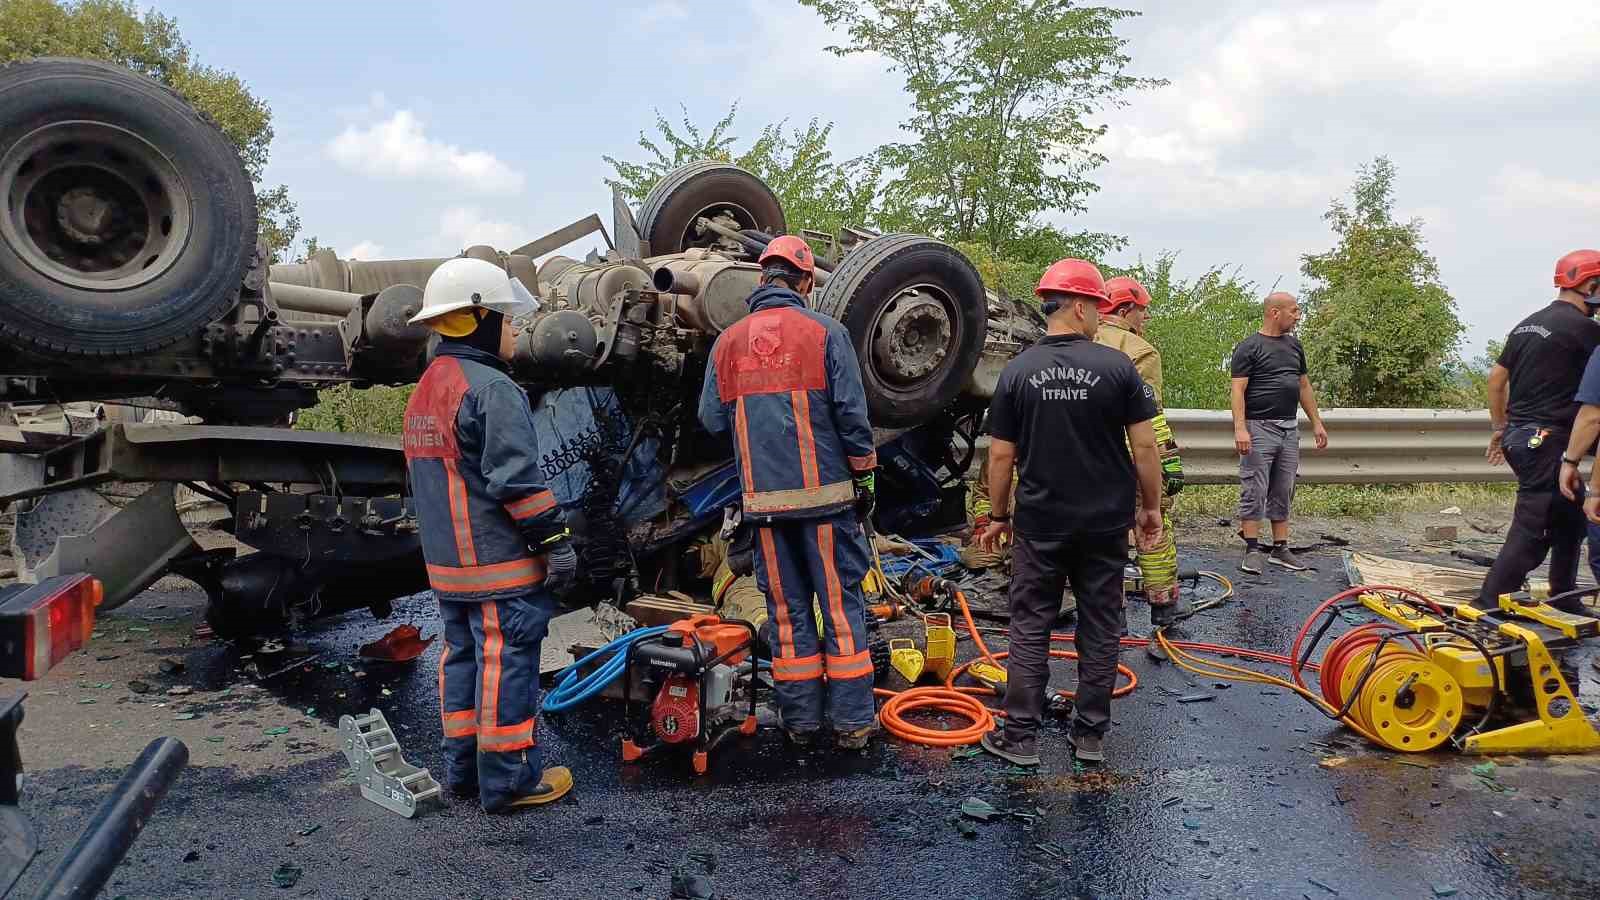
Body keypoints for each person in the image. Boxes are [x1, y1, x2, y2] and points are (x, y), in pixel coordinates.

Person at [402, 257, 579, 813]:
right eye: (505, 317)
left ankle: (464, 773)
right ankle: (508, 782)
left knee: (462, 661)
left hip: (448, 568)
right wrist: (555, 541)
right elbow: (517, 482)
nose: (516, 328)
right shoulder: (492, 389)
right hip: (496, 564)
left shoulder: (428, 387)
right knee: (507, 664)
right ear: (476, 318)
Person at [975, 259, 1164, 767]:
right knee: (1102, 623)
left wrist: (998, 515)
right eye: (1098, 308)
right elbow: (1145, 448)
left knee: (1031, 623)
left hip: (1041, 520)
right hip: (1105, 520)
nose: (1100, 318)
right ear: (1079, 306)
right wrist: (1150, 508)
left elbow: (999, 455)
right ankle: (1090, 736)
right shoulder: (1118, 369)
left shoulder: (1018, 371)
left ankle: (1020, 739)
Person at [698, 235, 881, 751]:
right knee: (841, 608)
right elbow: (851, 414)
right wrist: (865, 475)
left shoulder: (728, 342)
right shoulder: (827, 333)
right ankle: (851, 724)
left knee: (786, 611)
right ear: (804, 282)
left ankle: (800, 722)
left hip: (764, 508)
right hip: (827, 503)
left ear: (762, 280)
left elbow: (711, 419)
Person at [1483, 250, 1600, 612]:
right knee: (1533, 528)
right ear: (1590, 284)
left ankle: (1563, 595)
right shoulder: (1587, 331)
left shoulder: (1527, 324)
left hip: (1522, 437)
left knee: (1570, 515)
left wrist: (1501, 427)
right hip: (1547, 441)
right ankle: (1488, 604)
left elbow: (1496, 379)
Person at [1097, 276, 1186, 653]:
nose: (1144, 318)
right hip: (1129, 457)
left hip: (1087, 460)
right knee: (1152, 527)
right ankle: (1164, 609)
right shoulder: (1140, 351)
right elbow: (1149, 420)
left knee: (1104, 536)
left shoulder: (1075, 340)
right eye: (1141, 310)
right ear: (1122, 309)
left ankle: (1111, 617)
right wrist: (1167, 467)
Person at [1229, 292, 1328, 575]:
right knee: (1255, 488)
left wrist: (1316, 422)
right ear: (1275, 312)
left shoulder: (1295, 347)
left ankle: (1280, 548)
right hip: (1258, 428)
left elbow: (1304, 387)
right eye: (1294, 311)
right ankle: (1252, 549)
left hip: (1288, 427)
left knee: (1284, 488)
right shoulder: (1249, 347)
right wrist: (1240, 427)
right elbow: (1238, 390)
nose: (1298, 316)